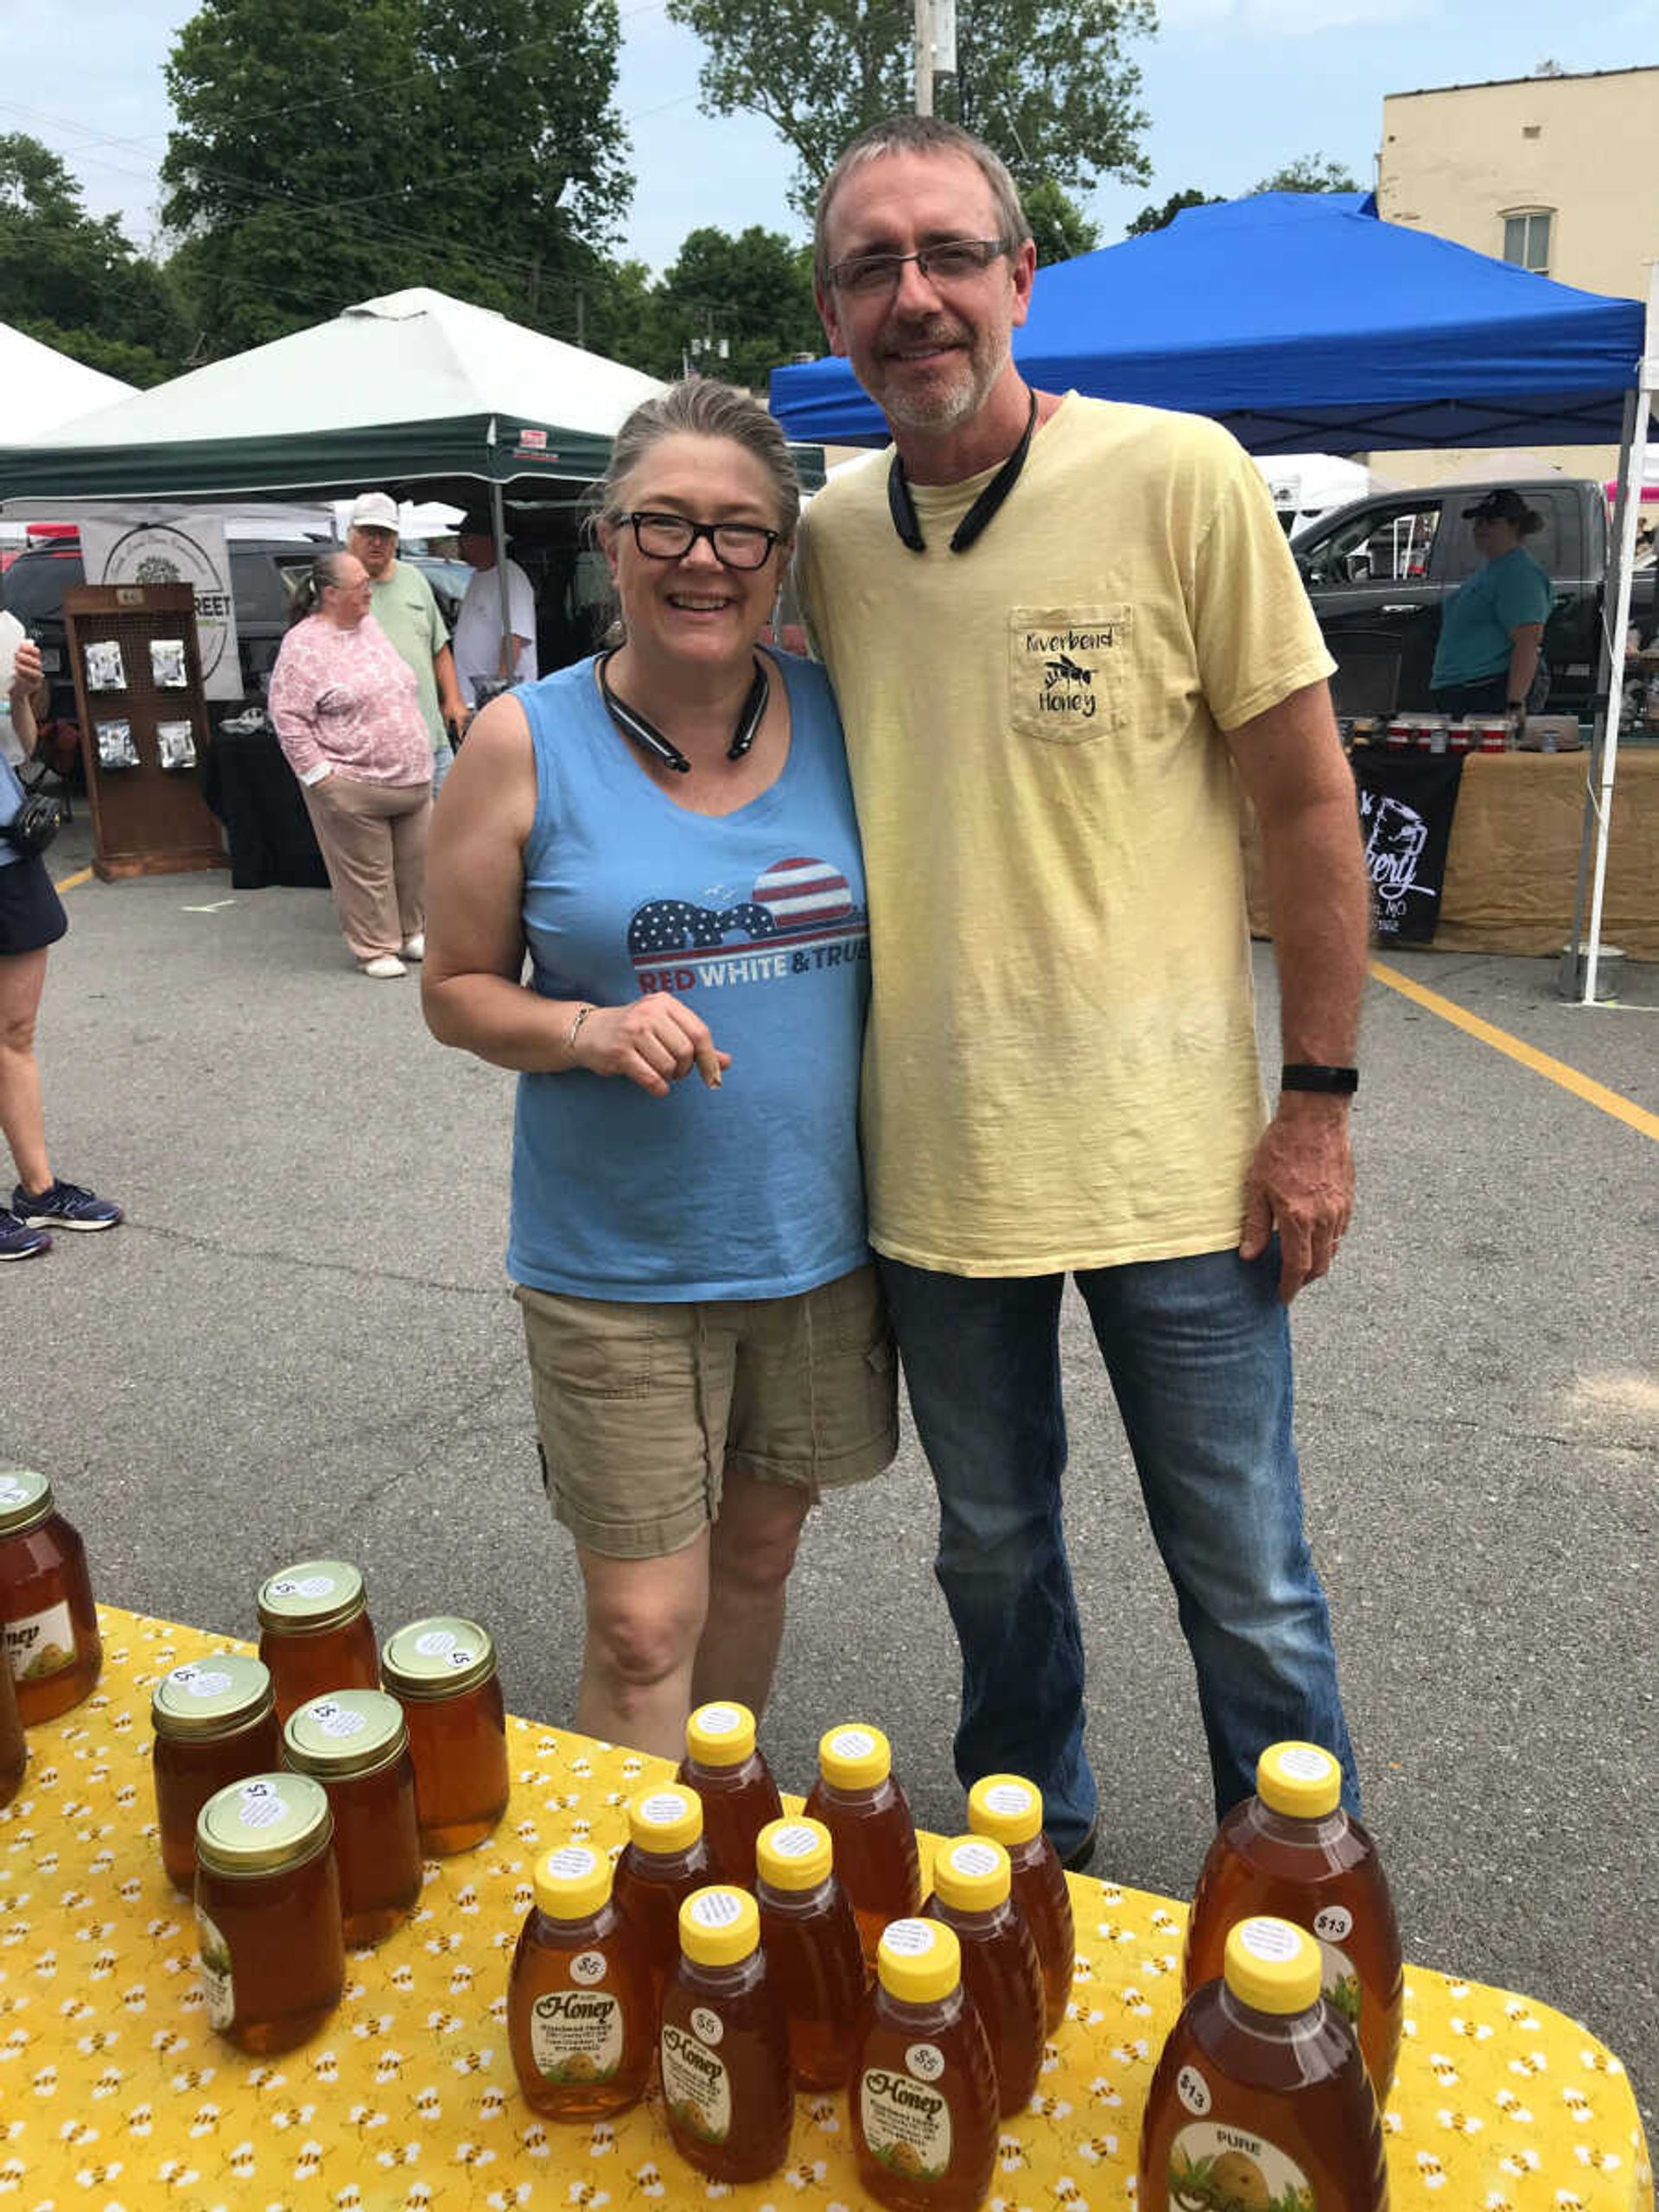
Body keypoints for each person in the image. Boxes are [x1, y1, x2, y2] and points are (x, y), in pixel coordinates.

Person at [796, 116, 1370, 1866]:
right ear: (833, 312)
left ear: (1020, 278)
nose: (915, 297)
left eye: (948, 253)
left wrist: (1317, 1103)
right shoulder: (825, 537)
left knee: (1245, 1569)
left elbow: (1308, 803)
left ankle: (1300, 1918)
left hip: (1179, 1162)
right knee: (990, 1548)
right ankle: (1031, 1860)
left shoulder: (1176, 473)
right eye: (872, 266)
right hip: (939, 1163)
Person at [422, 379, 897, 1760]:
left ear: (781, 555)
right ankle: (634, 1903)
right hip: (616, 1265)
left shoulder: (846, 720)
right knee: (640, 1625)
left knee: (757, 1567)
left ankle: (720, 1862)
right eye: (666, 526)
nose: (704, 559)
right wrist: (588, 1029)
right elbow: (453, 993)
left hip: (813, 1250)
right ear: (607, 539)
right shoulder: (522, 740)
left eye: (741, 532)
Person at [0, 619, 123, 1258]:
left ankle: (39, 1188)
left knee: (16, 1033)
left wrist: (20, 693)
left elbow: (21, 751)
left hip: (9, 850)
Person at [267, 551, 432, 977]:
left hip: (410, 778)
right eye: (360, 585)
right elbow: (287, 717)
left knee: (415, 863)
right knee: (366, 872)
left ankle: (412, 930)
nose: (369, 591)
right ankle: (376, 947)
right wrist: (321, 777)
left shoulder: (369, 626)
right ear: (330, 593)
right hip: (353, 779)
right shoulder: (303, 644)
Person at [346, 492, 468, 794]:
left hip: (432, 741)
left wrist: (453, 699)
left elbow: (439, 649)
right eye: (369, 532)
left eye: (385, 534)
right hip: (371, 753)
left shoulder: (414, 578)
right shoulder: (334, 587)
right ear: (350, 535)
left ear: (396, 538)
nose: (377, 541)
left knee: (449, 830)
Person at [1429, 488, 1554, 720]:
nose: (1479, 528)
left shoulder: (1519, 573)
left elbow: (1528, 640)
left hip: (1487, 691)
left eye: (1490, 521)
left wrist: (1515, 703)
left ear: (1515, 526)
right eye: (1478, 521)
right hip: (1466, 691)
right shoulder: (1494, 569)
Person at [451, 516, 537, 707]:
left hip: (498, 701)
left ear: (487, 541)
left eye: (465, 537)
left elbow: (514, 638)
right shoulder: (478, 576)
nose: (459, 542)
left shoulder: (510, 575)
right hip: (475, 699)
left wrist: (498, 694)